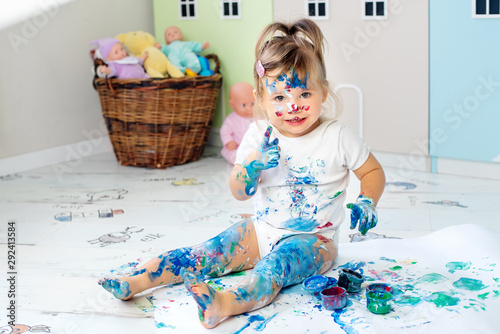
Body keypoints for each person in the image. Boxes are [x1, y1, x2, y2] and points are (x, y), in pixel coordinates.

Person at [98, 18, 385, 329]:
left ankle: (223, 303)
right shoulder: (258, 135)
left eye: (304, 94)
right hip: (261, 230)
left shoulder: (337, 136)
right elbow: (239, 191)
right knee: (206, 252)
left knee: (272, 270)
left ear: (324, 92)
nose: (293, 106)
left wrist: (367, 199)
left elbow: (372, 171)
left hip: (314, 240)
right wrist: (251, 166)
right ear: (260, 98)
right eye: (279, 97)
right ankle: (137, 281)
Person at [220, 82, 255, 164]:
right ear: (232, 105)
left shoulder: (258, 117)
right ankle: (241, 162)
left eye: (252, 103)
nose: (249, 108)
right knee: (233, 155)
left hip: (255, 147)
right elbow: (225, 132)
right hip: (237, 147)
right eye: (243, 105)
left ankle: (253, 160)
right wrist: (228, 141)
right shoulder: (231, 119)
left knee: (262, 154)